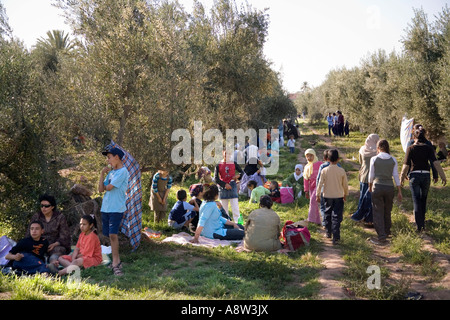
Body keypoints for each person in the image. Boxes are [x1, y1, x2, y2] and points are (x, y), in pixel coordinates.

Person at [400, 130, 447, 233]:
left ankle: (419, 226)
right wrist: (443, 176)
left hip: (414, 176)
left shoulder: (410, 148)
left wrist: (401, 177)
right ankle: (423, 223)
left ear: (414, 138)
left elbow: (406, 165)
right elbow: (436, 163)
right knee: (423, 199)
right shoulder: (428, 148)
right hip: (426, 176)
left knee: (416, 200)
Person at [98, 147, 130, 276]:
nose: (108, 160)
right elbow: (101, 189)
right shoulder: (110, 173)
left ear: (117, 157)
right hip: (106, 208)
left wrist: (105, 185)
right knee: (108, 235)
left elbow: (109, 187)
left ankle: (116, 262)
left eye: (109, 157)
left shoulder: (123, 172)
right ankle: (114, 260)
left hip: (116, 208)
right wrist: (101, 174)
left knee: (113, 235)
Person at [368, 140, 403, 245]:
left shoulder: (374, 159)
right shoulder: (393, 159)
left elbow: (371, 175)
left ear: (378, 147)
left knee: (378, 211)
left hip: (377, 186)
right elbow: (396, 176)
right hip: (389, 188)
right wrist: (399, 191)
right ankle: (387, 231)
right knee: (387, 210)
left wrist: (370, 187)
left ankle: (382, 236)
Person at [316, 149, 348, 245]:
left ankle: (328, 232)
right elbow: (345, 185)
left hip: (327, 196)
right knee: (337, 216)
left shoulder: (324, 170)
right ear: (338, 159)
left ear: (328, 159)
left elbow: (320, 184)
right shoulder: (341, 171)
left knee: (328, 214)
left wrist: (318, 194)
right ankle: (336, 236)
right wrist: (345, 194)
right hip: (338, 196)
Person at [29, 194, 70, 265]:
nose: (43, 208)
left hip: (55, 245)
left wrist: (55, 244)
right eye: (42, 206)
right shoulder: (36, 217)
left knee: (58, 252)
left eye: (46, 206)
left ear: (52, 207)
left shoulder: (60, 217)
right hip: (38, 244)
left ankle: (53, 263)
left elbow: (65, 236)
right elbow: (29, 233)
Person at [351, 134, 380, 225]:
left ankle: (360, 216)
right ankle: (369, 219)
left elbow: (360, 162)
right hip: (374, 177)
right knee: (371, 199)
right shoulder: (378, 152)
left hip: (364, 176)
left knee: (362, 197)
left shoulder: (362, 149)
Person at [214, 150, 243, 223]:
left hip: (232, 185)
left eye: (229, 154)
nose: (227, 155)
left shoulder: (234, 163)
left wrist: (238, 176)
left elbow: (242, 172)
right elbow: (216, 178)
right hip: (222, 187)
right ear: (223, 153)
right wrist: (224, 184)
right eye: (226, 153)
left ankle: (238, 224)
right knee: (224, 208)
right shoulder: (218, 165)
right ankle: (225, 223)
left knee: (235, 207)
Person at [304, 149, 323, 225]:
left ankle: (311, 219)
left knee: (313, 201)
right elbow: (305, 179)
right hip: (311, 187)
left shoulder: (320, 164)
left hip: (319, 185)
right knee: (313, 202)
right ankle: (317, 220)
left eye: (311, 155)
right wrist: (306, 190)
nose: (309, 157)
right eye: (307, 156)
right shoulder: (306, 167)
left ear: (314, 155)